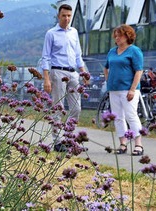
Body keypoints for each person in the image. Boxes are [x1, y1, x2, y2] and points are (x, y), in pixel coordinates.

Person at [40, 4, 89, 151]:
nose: (67, 18)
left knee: (76, 108)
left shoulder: (74, 32)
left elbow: (78, 55)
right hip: (57, 72)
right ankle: (57, 142)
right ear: (58, 16)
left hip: (73, 72)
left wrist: (84, 72)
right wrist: (46, 79)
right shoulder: (51, 33)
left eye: (69, 15)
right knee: (58, 107)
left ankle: (68, 138)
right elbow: (45, 57)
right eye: (64, 15)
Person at [104, 24, 145, 156]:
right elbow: (106, 67)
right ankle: (123, 143)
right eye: (115, 36)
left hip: (128, 89)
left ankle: (138, 144)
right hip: (114, 89)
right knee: (118, 117)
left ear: (127, 36)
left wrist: (132, 89)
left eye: (119, 35)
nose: (117, 38)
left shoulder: (134, 51)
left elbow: (139, 70)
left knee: (131, 115)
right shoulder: (112, 51)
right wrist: (108, 80)